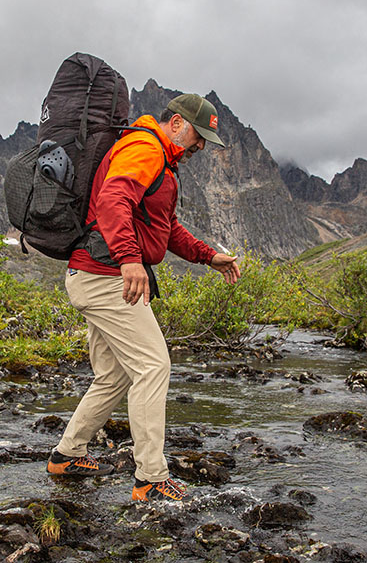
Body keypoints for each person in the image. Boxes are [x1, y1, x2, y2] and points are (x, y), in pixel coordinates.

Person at [46, 93, 242, 501]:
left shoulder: (162, 161)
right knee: (153, 367)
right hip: (106, 277)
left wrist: (208, 256)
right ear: (176, 123)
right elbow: (113, 199)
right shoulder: (146, 147)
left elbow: (166, 227)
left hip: (96, 274)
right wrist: (129, 259)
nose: (200, 146)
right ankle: (151, 478)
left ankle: (67, 455)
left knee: (115, 375)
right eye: (198, 136)